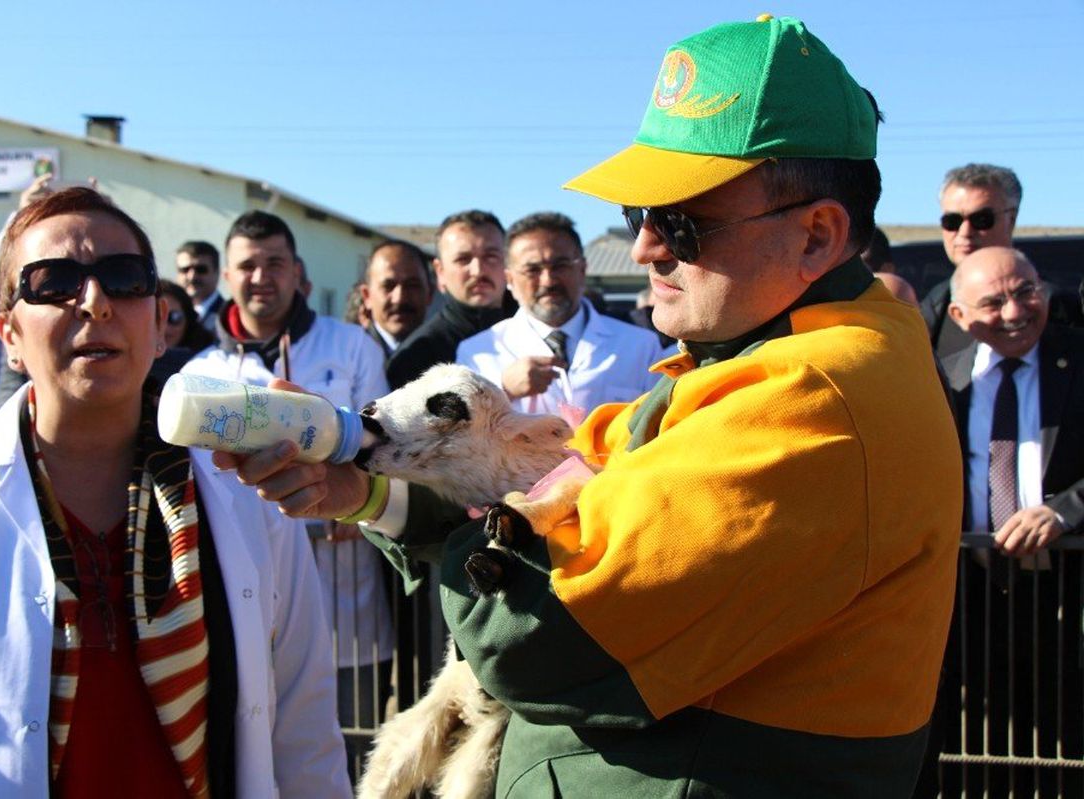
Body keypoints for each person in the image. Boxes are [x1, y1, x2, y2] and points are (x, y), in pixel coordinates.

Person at [220, 15, 963, 796]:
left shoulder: (812, 392)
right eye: (639, 217)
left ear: (818, 234)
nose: (644, 247)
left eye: (681, 221)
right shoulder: (779, 354)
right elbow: (565, 472)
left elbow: (533, 635)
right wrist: (367, 481)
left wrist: (435, 517)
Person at [0, 187, 350, 797]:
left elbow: (303, 728)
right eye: (54, 283)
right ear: (10, 337)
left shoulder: (246, 483)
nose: (95, 303)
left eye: (124, 279)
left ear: (159, 326)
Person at [181, 210, 394, 770]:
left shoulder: (351, 347)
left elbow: (384, 451)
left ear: (298, 273)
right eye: (247, 266)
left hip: (347, 595)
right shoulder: (203, 373)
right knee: (256, 742)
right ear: (227, 276)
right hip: (247, 588)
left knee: (352, 743)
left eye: (274, 263)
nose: (261, 277)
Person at [934, 246, 1083, 798]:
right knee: (972, 739)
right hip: (964, 595)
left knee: (1059, 739)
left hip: (1063, 593)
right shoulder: (937, 379)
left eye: (1026, 291)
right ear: (959, 317)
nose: (1016, 311)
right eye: (993, 302)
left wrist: (1066, 510)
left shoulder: (1077, 357)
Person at [456, 212, 662, 419]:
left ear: (582, 269)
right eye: (532, 270)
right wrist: (503, 391)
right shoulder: (477, 353)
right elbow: (463, 435)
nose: (548, 281)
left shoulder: (640, 346)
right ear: (509, 279)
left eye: (560, 266)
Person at [385, 210, 517, 390]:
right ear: (440, 272)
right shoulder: (416, 357)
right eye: (463, 259)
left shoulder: (540, 331)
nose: (478, 270)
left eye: (490, 256)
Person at [920, 164, 1022, 357]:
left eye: (982, 219)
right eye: (952, 221)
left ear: (1012, 220)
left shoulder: (1048, 306)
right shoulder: (933, 307)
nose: (965, 232)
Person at [359, 240, 433, 357]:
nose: (400, 298)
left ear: (430, 293)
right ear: (367, 296)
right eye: (388, 286)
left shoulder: (452, 356)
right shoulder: (347, 357)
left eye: (412, 285)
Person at [175, 240, 223, 333]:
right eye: (185, 270)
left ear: (217, 273)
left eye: (201, 269)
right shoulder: (169, 316)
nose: (192, 276)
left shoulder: (228, 317)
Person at [159, 280, 215, 355]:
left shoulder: (208, 359)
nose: (165, 327)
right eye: (157, 318)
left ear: (188, 320)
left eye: (174, 318)